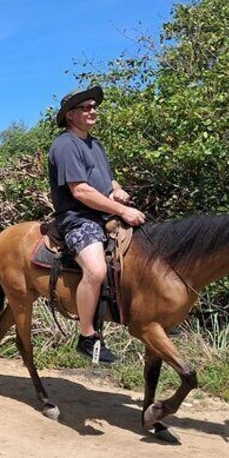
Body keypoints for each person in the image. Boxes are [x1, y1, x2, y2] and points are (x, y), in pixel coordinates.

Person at [48, 86, 146, 364]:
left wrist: (117, 190)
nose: (93, 111)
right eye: (86, 107)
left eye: (94, 106)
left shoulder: (95, 144)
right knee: (96, 268)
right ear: (70, 115)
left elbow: (106, 181)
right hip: (79, 218)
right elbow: (80, 191)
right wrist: (123, 210)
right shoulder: (65, 145)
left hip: (103, 214)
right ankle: (87, 336)